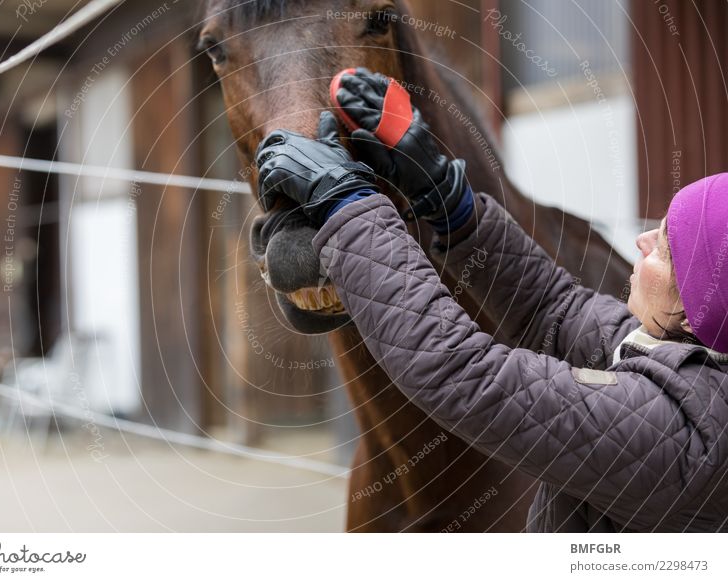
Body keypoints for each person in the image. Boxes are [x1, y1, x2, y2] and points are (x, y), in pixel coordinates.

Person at [254, 68, 728, 533]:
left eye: (665, 247)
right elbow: (553, 307)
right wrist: (450, 202)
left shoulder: (675, 432)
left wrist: (347, 206)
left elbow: (462, 373)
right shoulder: (683, 358)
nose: (642, 240)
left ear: (695, 308)